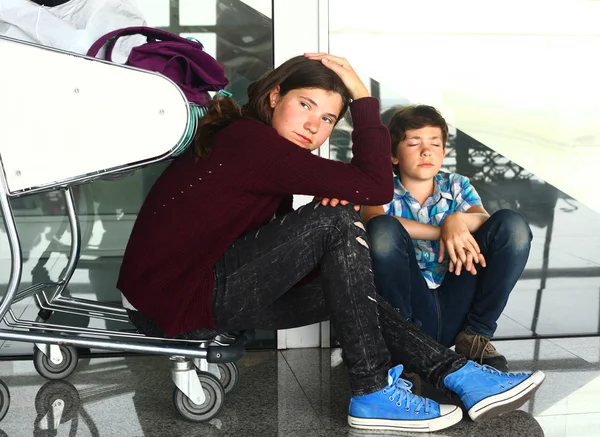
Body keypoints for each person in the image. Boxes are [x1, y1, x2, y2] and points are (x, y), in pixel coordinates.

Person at [117, 54, 544, 433]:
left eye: (327, 119)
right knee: (339, 221)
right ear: (274, 97)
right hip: (174, 302)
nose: (313, 125)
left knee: (344, 271)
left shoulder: (253, 144)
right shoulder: (252, 142)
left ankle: (458, 373)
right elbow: (376, 186)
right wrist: (361, 96)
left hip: (189, 294)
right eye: (305, 105)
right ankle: (375, 389)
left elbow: (267, 245)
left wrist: (333, 245)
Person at [362, 105, 533, 372]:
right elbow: (374, 221)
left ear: (443, 152)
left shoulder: (457, 184)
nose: (426, 150)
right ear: (393, 155)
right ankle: (405, 347)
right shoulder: (381, 188)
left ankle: (476, 336)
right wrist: (443, 231)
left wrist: (457, 220)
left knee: (513, 226)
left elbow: (487, 222)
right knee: (383, 231)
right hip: (412, 310)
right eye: (414, 143)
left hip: (458, 300)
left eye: (434, 143)